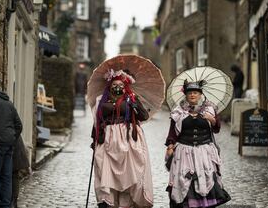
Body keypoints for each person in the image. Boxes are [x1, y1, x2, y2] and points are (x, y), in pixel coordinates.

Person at [91, 69, 153, 208]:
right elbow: (96, 121)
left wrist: (135, 104)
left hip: (128, 141)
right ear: (109, 86)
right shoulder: (101, 100)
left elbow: (144, 117)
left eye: (120, 84)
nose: (117, 87)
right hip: (107, 140)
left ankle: (126, 203)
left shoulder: (131, 98)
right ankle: (108, 201)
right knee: (104, 171)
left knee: (128, 174)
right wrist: (93, 139)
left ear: (125, 86)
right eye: (114, 84)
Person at [165, 80, 231, 208]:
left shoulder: (210, 109)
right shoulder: (178, 112)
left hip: (204, 152)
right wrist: (170, 146)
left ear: (200, 94)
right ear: (186, 95)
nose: (192, 95)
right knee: (184, 179)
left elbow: (216, 129)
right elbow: (172, 132)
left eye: (195, 92)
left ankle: (204, 204)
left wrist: (212, 119)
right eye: (190, 93)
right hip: (184, 152)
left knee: (206, 178)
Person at [11, 136, 31, 208]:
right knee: (14, 175)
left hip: (11, 144)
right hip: (15, 142)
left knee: (12, 175)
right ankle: (13, 202)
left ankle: (12, 202)